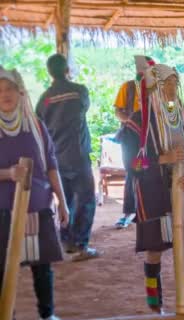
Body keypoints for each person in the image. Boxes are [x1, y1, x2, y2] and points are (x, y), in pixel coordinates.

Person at [121, 63, 184, 314]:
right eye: (164, 83)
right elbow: (131, 162)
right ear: (151, 88)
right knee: (155, 250)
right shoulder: (137, 123)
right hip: (153, 195)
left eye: (173, 83)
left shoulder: (182, 116)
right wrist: (162, 159)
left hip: (182, 190)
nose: (170, 88)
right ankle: (154, 308)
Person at [0, 67, 69, 320]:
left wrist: (62, 201)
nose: (4, 94)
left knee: (42, 265)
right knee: (3, 267)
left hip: (38, 205)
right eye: (0, 90)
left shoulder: (36, 126)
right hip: (3, 209)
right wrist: (9, 173)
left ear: (20, 92)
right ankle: (6, 319)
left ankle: (47, 314)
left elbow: (51, 165)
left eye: (9, 89)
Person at [35, 54, 99, 261]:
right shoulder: (79, 91)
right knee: (87, 198)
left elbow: (39, 126)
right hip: (78, 155)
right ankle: (80, 245)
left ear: (49, 72)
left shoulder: (43, 99)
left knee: (66, 200)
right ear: (66, 70)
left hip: (56, 159)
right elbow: (83, 108)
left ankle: (66, 241)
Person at [113, 55, 155, 229]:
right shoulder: (128, 87)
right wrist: (131, 121)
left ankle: (150, 210)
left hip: (152, 137)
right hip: (132, 138)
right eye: (142, 69)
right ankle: (129, 212)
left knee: (152, 170)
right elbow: (118, 111)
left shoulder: (158, 88)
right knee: (134, 171)